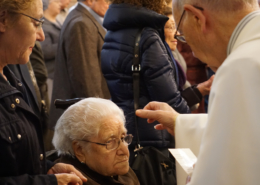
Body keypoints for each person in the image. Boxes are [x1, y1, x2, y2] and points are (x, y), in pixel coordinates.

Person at [136, 0, 260, 184]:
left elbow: (229, 173)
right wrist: (180, 123)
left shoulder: (239, 68)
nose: (193, 54)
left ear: (197, 18)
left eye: (183, 35)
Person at [101, 0, 212, 162]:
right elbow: (169, 99)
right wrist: (190, 128)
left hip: (126, 130)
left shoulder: (113, 33)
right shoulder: (147, 37)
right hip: (153, 136)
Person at [0, 0, 87, 184]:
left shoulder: (10, 76)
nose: (41, 36)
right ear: (3, 20)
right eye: (36, 22)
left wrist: (45, 167)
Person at [49, 0, 110, 138]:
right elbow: (87, 81)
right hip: (82, 122)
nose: (109, 4)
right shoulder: (81, 23)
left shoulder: (83, 19)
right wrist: (102, 119)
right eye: (106, 0)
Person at [53, 98, 140, 185]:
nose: (124, 151)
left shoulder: (121, 173)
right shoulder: (69, 182)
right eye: (110, 142)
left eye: (123, 138)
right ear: (80, 150)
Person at [41, 0, 61, 102]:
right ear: (48, 5)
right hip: (50, 74)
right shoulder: (44, 25)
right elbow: (46, 50)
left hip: (58, 74)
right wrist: (64, 44)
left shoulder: (56, 21)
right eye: (57, 2)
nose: (60, 4)